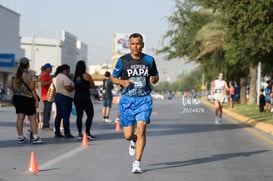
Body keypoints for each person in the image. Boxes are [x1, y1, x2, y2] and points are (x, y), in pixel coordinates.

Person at [111, 33, 159, 173]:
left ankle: (137, 162)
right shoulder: (123, 60)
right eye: (132, 44)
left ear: (142, 45)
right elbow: (113, 78)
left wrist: (154, 80)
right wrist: (122, 82)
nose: (135, 46)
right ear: (129, 45)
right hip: (127, 100)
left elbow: (155, 76)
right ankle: (133, 140)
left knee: (142, 128)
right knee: (127, 135)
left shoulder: (149, 60)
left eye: (138, 44)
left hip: (144, 99)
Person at [7, 57, 43, 144]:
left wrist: (15, 91)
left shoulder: (14, 74)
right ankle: (35, 137)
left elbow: (9, 85)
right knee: (32, 118)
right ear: (27, 64)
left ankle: (20, 137)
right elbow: (32, 88)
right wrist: (36, 100)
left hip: (17, 98)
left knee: (20, 118)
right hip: (28, 99)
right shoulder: (31, 74)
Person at [73, 60, 96, 140]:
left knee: (79, 116)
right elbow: (93, 85)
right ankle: (87, 132)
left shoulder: (75, 76)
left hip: (77, 97)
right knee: (90, 114)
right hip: (85, 97)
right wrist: (87, 86)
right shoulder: (86, 75)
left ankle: (79, 133)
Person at [54, 64, 75, 138]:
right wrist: (73, 87)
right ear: (64, 70)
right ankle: (67, 132)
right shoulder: (65, 78)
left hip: (58, 96)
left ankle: (57, 132)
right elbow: (68, 88)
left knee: (59, 115)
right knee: (66, 116)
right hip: (65, 97)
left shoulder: (57, 77)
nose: (68, 72)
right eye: (68, 70)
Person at [40, 63, 54, 131]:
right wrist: (50, 81)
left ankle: (46, 125)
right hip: (46, 96)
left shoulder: (48, 75)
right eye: (50, 68)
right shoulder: (44, 75)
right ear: (47, 69)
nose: (51, 69)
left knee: (48, 111)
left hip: (49, 95)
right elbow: (43, 84)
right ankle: (45, 126)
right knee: (47, 111)